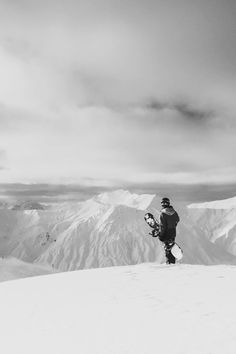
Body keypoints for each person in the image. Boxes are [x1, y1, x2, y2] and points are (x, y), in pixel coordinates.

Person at [159, 197, 180, 264]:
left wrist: (161, 235)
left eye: (163, 203)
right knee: (171, 247)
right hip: (173, 232)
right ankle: (172, 262)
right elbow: (177, 219)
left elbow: (163, 226)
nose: (163, 204)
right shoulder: (174, 211)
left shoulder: (163, 213)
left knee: (167, 248)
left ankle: (169, 264)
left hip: (166, 232)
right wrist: (174, 225)